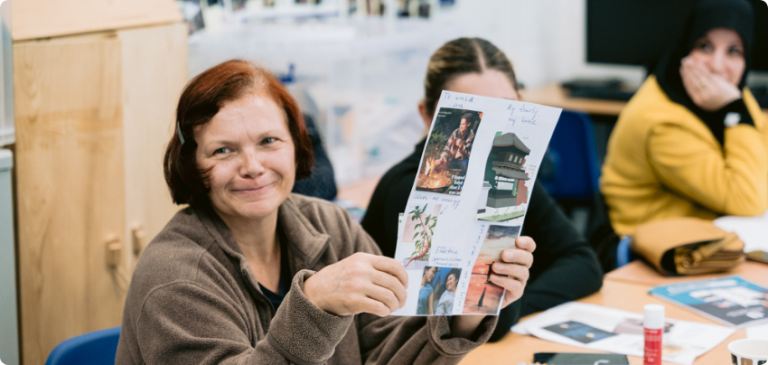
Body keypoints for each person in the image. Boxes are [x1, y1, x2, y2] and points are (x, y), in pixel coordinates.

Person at [115, 59, 537, 364]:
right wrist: (314, 305)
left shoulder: (329, 224)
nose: (252, 167)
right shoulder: (174, 278)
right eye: (223, 150)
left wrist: (465, 309)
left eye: (268, 142)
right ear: (193, 166)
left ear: (296, 147)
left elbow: (387, 350)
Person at [362, 38, 603, 342]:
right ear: (427, 115)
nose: (491, 130)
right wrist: (501, 313)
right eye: (472, 114)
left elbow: (583, 263)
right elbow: (454, 321)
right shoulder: (411, 190)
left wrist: (514, 302)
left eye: (507, 110)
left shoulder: (507, 173)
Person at [601, 0, 768, 236]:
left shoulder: (728, 92)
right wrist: (735, 110)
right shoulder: (662, 120)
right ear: (686, 48)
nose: (717, 67)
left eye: (734, 51)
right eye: (705, 47)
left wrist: (735, 106)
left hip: (710, 230)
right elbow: (747, 201)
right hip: (653, 249)